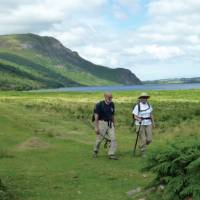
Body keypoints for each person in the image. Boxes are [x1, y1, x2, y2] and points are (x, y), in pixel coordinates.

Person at [93, 92, 118, 160]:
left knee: (113, 139)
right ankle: (95, 151)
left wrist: (114, 124)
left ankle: (111, 154)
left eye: (111, 97)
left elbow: (112, 115)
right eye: (109, 97)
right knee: (99, 140)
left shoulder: (112, 104)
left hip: (110, 124)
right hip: (102, 123)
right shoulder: (99, 105)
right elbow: (96, 116)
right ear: (105, 97)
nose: (110, 99)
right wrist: (96, 127)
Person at [132, 92, 155, 157]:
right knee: (143, 139)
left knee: (149, 139)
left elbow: (151, 114)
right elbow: (134, 116)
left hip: (148, 123)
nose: (144, 99)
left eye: (145, 98)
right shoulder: (137, 106)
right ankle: (143, 152)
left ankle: (141, 145)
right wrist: (139, 119)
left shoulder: (149, 105)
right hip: (140, 124)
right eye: (143, 98)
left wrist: (153, 122)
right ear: (140, 99)